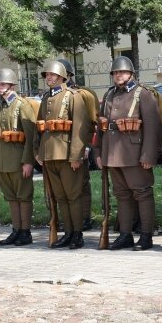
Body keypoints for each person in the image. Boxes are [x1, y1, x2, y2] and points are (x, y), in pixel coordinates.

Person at [95, 56, 162, 251]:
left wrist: (149, 155)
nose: (118, 75)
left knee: (142, 194)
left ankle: (146, 236)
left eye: (122, 72)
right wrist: (98, 152)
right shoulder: (109, 95)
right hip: (112, 153)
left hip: (134, 153)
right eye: (116, 73)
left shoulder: (143, 94)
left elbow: (153, 127)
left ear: (131, 74)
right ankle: (125, 234)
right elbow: (102, 126)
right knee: (122, 195)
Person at [35, 60, 91, 249]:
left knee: (73, 196)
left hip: (67, 154)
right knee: (60, 197)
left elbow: (80, 129)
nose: (48, 78)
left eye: (52, 75)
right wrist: (39, 153)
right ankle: (67, 233)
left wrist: (76, 155)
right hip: (50, 155)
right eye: (47, 75)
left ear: (62, 76)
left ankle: (77, 234)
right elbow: (40, 128)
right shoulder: (45, 98)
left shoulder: (72, 96)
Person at [0, 69, 37, 246]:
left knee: (23, 196)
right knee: (11, 197)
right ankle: (16, 230)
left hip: (18, 160)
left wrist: (28, 161)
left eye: (3, 84)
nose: (0, 87)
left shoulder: (22, 105)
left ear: (11, 85)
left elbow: (31, 137)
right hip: (1, 160)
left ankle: (25, 232)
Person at [59, 58, 100, 232]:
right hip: (60, 149)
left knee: (82, 183)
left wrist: (87, 147)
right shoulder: (55, 96)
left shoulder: (84, 94)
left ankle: (84, 218)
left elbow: (92, 122)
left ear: (68, 75)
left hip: (80, 145)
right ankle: (68, 220)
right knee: (64, 188)